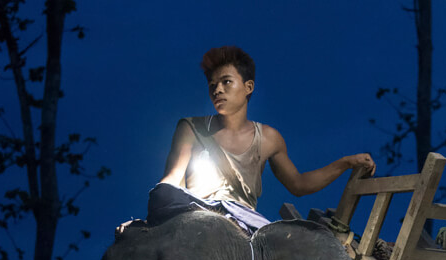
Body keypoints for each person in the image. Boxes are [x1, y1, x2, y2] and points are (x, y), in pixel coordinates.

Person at [155, 45, 376, 230]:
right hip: (196, 212)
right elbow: (172, 180)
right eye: (212, 85)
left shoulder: (268, 138)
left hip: (243, 222)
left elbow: (298, 184)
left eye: (226, 82)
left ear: (248, 87)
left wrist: (346, 162)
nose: (217, 90)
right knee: (163, 196)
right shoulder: (191, 128)